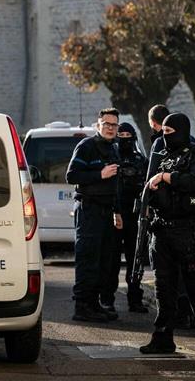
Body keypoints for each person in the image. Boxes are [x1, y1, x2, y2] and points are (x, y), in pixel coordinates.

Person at [139, 113, 195, 356]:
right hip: (161, 231)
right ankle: (163, 339)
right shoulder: (163, 157)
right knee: (164, 289)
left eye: (170, 132)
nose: (166, 137)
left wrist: (166, 177)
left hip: (188, 231)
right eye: (162, 132)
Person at [66, 107, 123, 323]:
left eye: (114, 125)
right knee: (88, 259)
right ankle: (82, 307)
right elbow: (71, 175)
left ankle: (94, 304)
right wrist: (99, 174)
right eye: (106, 124)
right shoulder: (87, 146)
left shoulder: (113, 148)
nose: (110, 128)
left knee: (102, 261)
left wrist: (117, 211)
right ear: (98, 125)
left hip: (107, 211)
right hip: (89, 209)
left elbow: (115, 184)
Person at [102, 122, 149, 313]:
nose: (124, 139)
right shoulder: (111, 158)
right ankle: (107, 299)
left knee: (135, 260)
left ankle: (135, 299)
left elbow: (147, 187)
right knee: (111, 261)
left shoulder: (141, 161)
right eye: (120, 135)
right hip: (115, 215)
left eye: (128, 136)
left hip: (135, 216)